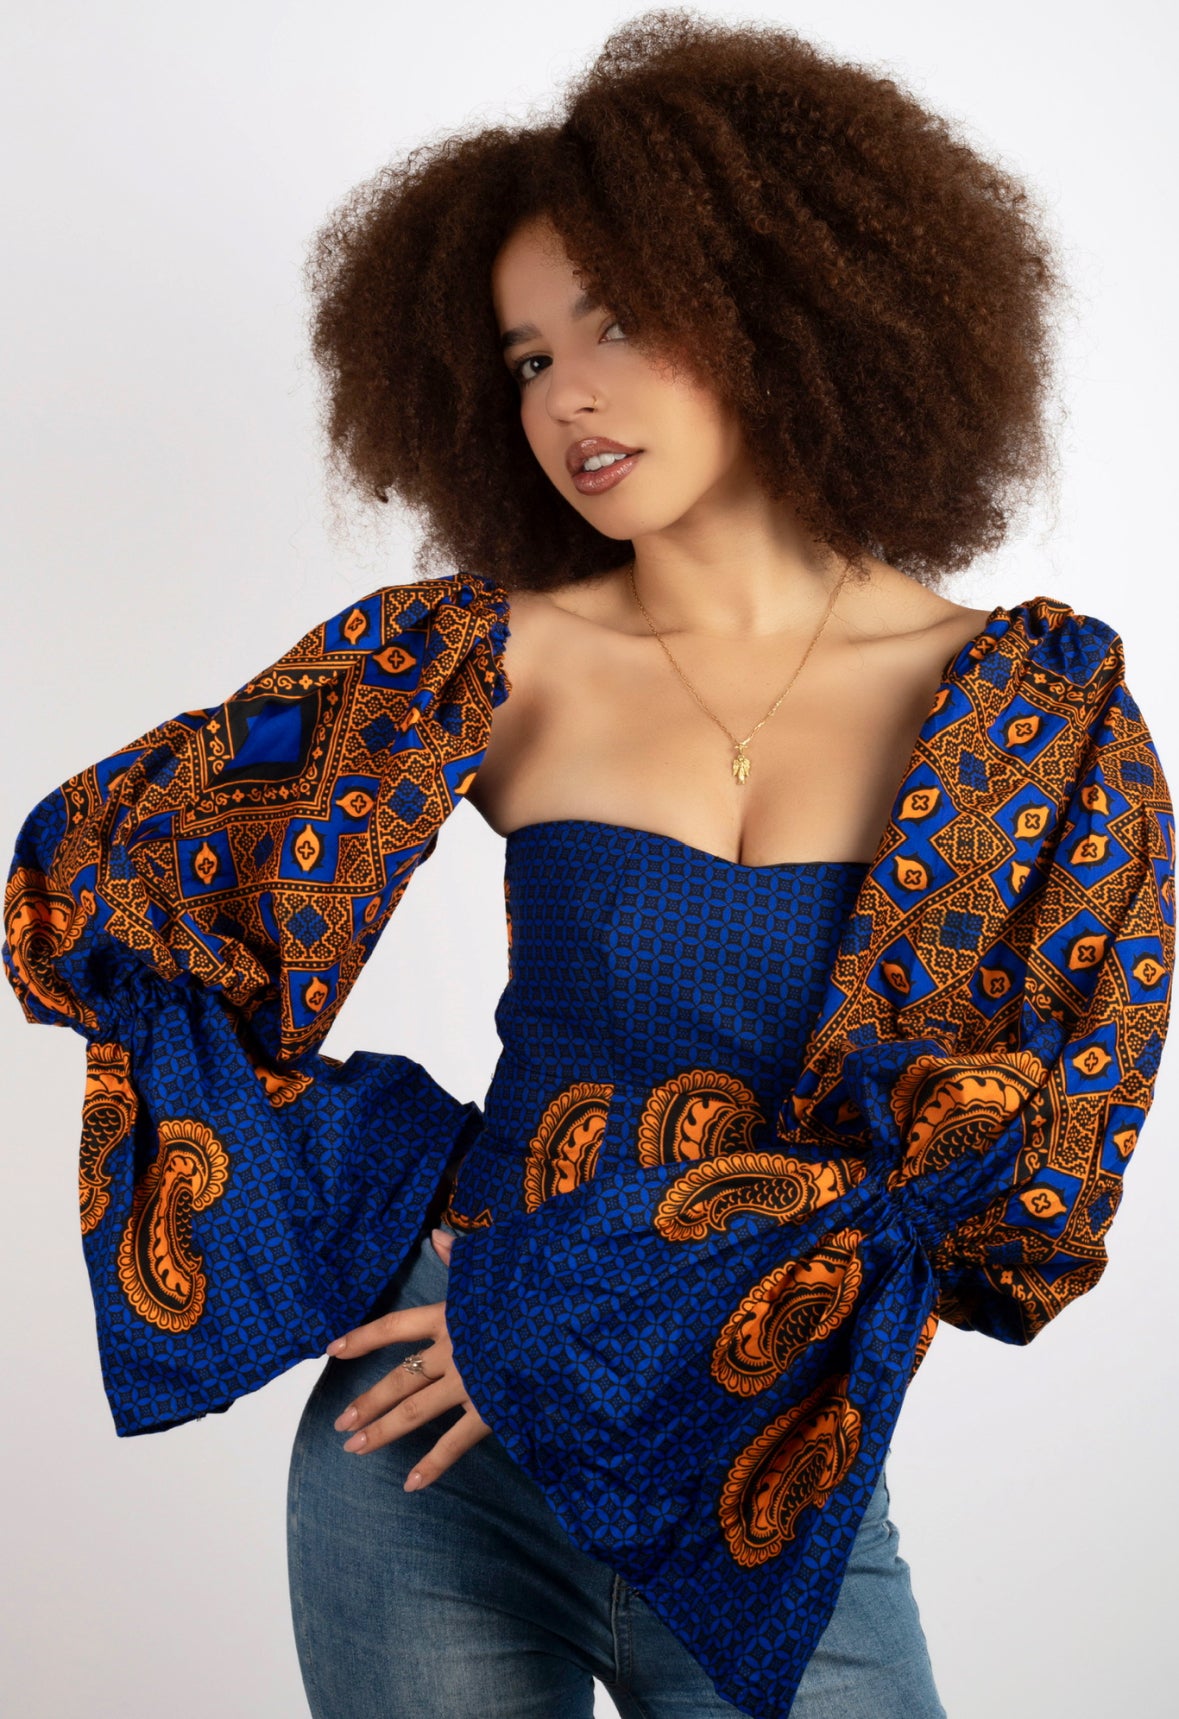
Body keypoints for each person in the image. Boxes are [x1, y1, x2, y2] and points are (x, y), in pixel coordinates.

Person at [4, 13, 1173, 1719]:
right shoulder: (485, 664)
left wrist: (575, 1331)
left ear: (781, 300)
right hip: (427, 1465)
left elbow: (1024, 1172)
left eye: (618, 322)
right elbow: (112, 897)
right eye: (528, 356)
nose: (568, 396)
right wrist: (368, 1194)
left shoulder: (1038, 722)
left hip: (764, 1485)